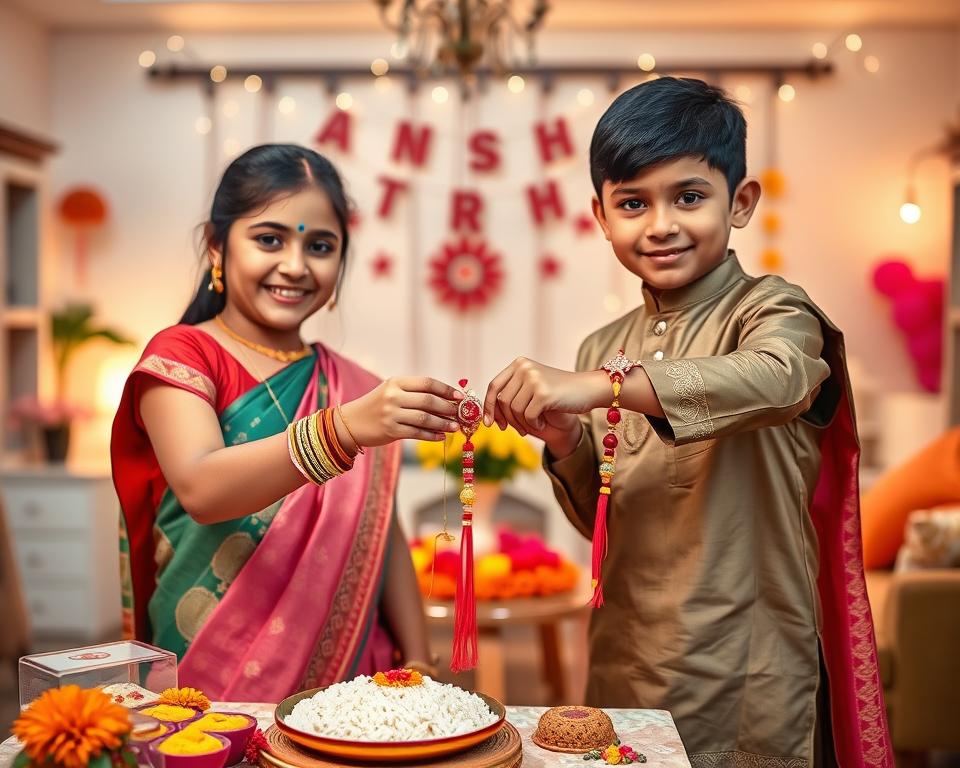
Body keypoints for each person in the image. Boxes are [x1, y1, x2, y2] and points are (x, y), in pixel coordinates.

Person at [483, 78, 891, 767]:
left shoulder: (772, 311)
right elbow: (604, 520)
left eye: (689, 197)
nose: (661, 224)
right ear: (602, 217)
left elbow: (780, 376)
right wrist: (564, 441)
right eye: (634, 203)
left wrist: (600, 387)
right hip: (625, 658)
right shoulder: (601, 344)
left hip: (747, 670)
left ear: (740, 202)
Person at [111, 144, 461, 700]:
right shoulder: (184, 355)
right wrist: (341, 430)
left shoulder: (354, 385)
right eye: (270, 239)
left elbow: (380, 535)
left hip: (349, 679)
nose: (296, 265)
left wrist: (418, 661)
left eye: (320, 246)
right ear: (217, 245)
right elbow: (202, 487)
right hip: (208, 675)